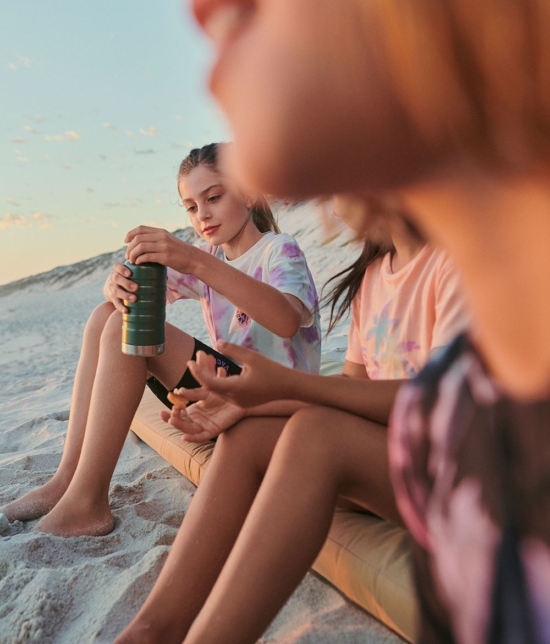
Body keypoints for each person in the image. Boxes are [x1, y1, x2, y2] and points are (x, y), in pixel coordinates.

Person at [128, 0, 548, 641]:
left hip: (365, 440)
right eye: (191, 205)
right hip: (393, 440)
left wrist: (283, 383)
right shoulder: (476, 400)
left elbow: (292, 331)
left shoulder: (291, 259)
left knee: (311, 431)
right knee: (127, 327)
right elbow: (355, 366)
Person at [113, 194, 469, 644]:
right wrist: (246, 405)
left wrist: (285, 387)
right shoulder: (372, 277)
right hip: (394, 464)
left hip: (461, 475)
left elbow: (440, 405)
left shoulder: (456, 264)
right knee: (252, 435)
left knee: (316, 434)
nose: (333, 209)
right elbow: (352, 393)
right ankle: (154, 629)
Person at [2, 142, 320, 537]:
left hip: (275, 402)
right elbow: (132, 301)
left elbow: (286, 318)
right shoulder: (212, 257)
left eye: (214, 198)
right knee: (110, 315)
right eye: (190, 207)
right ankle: (69, 476)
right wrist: (114, 285)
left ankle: (87, 501)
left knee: (124, 327)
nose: (201, 215)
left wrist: (195, 260)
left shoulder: (279, 249)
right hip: (225, 394)